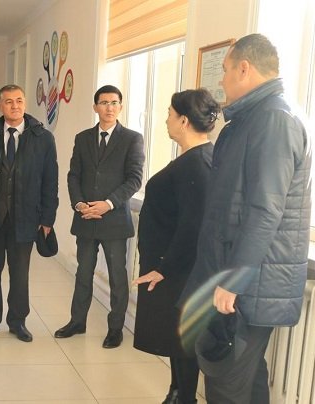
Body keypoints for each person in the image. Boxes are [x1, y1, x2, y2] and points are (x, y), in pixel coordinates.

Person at [180, 33, 311, 404]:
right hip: (241, 276)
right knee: (247, 380)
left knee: (226, 385)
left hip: (249, 283)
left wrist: (233, 281)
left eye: (224, 71)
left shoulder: (274, 120)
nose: (221, 81)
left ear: (244, 68)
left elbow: (265, 209)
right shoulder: (255, 118)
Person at [132, 89, 219, 404]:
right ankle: (177, 391)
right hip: (173, 266)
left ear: (184, 120)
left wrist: (163, 268)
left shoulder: (197, 164)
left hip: (177, 270)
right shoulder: (195, 158)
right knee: (175, 336)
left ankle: (183, 396)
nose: (166, 120)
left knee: (182, 339)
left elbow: (193, 226)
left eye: (169, 114)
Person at [0, 84, 59, 342]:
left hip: (26, 218)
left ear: (25, 103)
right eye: (8, 101)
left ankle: (18, 322)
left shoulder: (42, 137)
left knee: (20, 275)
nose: (15, 106)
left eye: (19, 100)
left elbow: (50, 181)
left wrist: (47, 218)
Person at [55, 85, 144, 348]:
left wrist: (108, 204)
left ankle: (115, 329)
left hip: (114, 220)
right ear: (95, 107)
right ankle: (77, 322)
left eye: (114, 103)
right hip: (86, 218)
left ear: (121, 106)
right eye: (104, 103)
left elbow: (134, 179)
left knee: (117, 276)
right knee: (83, 272)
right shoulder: (83, 138)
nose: (109, 108)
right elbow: (74, 175)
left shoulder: (132, 139)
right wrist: (79, 204)